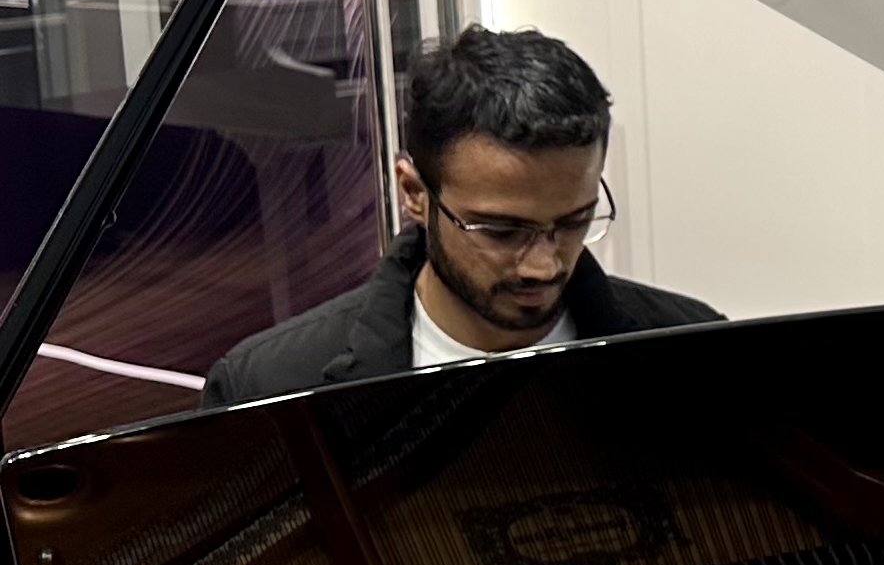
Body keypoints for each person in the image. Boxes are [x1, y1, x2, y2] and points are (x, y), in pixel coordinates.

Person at [200, 25, 717, 408]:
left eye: (573, 222)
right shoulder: (270, 388)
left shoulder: (695, 353)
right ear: (414, 193)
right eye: (501, 230)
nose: (542, 265)